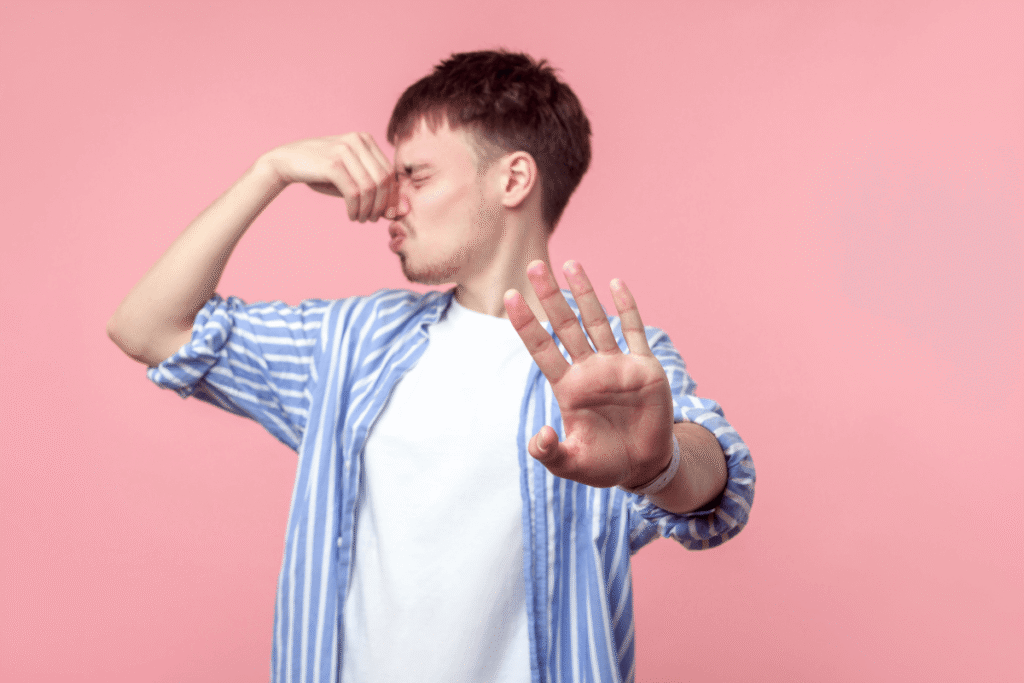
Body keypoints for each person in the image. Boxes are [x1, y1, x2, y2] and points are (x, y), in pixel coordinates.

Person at [107, 50, 755, 683]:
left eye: (416, 178)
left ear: (513, 180)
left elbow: (719, 484)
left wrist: (659, 463)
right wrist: (269, 171)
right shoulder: (352, 343)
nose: (392, 204)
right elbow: (148, 327)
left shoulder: (610, 369)